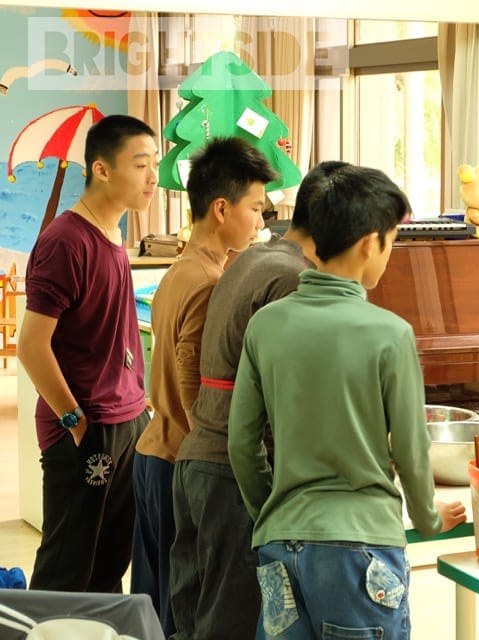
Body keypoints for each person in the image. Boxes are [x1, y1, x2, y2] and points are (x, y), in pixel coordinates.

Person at [227, 164, 466, 640]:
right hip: (361, 546)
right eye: (392, 242)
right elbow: (410, 448)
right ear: (370, 244)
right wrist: (427, 518)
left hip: (280, 541)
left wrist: (272, 512)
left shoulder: (266, 325)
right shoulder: (390, 333)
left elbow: (241, 443)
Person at [169, 161, 348, 640]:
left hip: (198, 461)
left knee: (191, 622)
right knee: (228, 625)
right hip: (233, 475)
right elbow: (290, 402)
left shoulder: (255, 258)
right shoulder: (294, 279)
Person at [132, 137, 277, 635]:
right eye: (255, 208)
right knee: (185, 613)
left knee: (155, 608)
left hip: (154, 450)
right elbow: (194, 385)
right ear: (221, 208)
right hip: (178, 459)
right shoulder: (209, 282)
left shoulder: (180, 270)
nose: (260, 222)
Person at [18, 114, 158, 592]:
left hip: (127, 419)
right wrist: (75, 422)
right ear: (101, 169)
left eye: (154, 164)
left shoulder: (113, 233)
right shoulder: (66, 241)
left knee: (109, 564)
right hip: (86, 426)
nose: (153, 177)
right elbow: (31, 345)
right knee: (66, 567)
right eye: (140, 165)